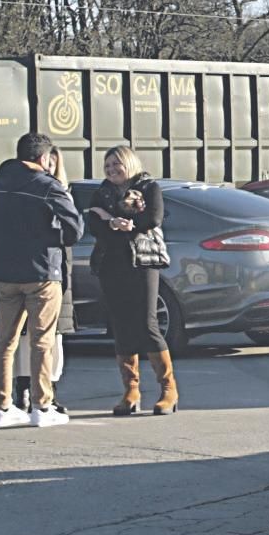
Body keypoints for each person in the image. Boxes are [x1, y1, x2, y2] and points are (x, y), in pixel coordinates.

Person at [0, 131, 84, 428]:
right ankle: (42, 406)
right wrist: (49, 235)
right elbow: (74, 230)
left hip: (4, 272)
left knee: (5, 340)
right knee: (42, 341)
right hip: (41, 272)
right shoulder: (47, 185)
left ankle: (2, 407)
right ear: (44, 157)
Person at [84, 146, 173, 417]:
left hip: (143, 262)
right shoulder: (101, 192)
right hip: (110, 264)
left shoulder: (148, 187)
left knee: (147, 323)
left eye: (116, 164)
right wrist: (112, 224)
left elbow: (153, 218)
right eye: (107, 165)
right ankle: (131, 391)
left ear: (129, 163)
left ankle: (168, 389)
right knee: (121, 326)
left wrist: (125, 222)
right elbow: (93, 224)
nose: (111, 170)